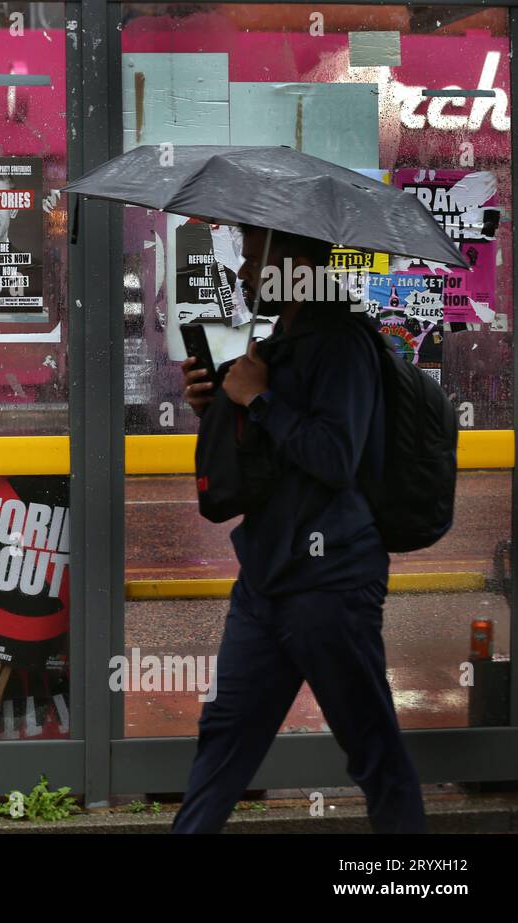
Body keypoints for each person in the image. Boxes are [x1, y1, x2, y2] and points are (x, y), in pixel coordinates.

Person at [173, 225, 427, 834]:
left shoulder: (342, 342)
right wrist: (221, 409)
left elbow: (334, 456)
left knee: (374, 754)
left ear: (301, 262)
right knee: (223, 743)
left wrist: (259, 400)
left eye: (257, 255)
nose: (244, 270)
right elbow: (272, 460)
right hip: (265, 582)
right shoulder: (279, 340)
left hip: (331, 585)